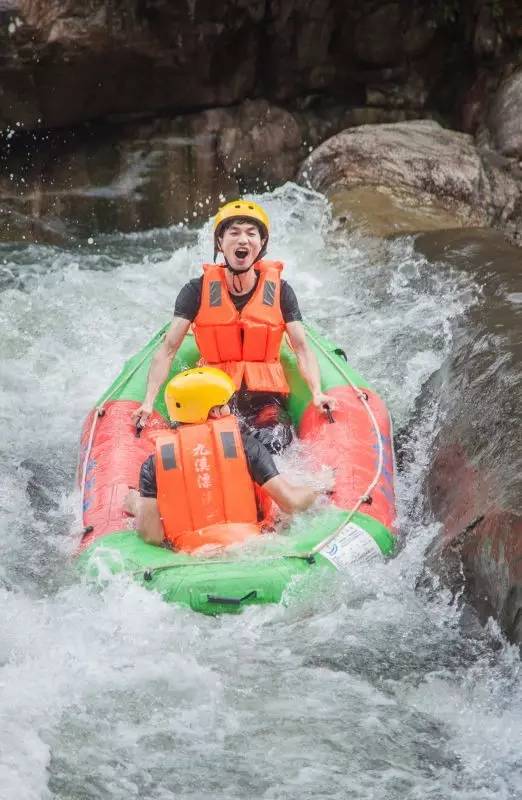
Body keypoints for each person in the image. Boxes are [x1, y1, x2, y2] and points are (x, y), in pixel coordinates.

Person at [131, 199, 334, 453]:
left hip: (265, 399)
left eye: (251, 234)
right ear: (220, 243)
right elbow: (168, 349)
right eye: (234, 233)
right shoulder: (196, 290)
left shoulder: (281, 290)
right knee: (204, 447)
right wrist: (149, 401)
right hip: (213, 399)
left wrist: (316, 393)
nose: (243, 240)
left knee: (275, 441)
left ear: (261, 245)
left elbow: (302, 349)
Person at [124, 367, 333, 549]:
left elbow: (152, 535)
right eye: (225, 404)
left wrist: (136, 505)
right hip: (250, 547)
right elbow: (291, 503)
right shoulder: (245, 446)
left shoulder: (153, 464)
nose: (229, 408)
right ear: (214, 411)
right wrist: (319, 486)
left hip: (191, 556)